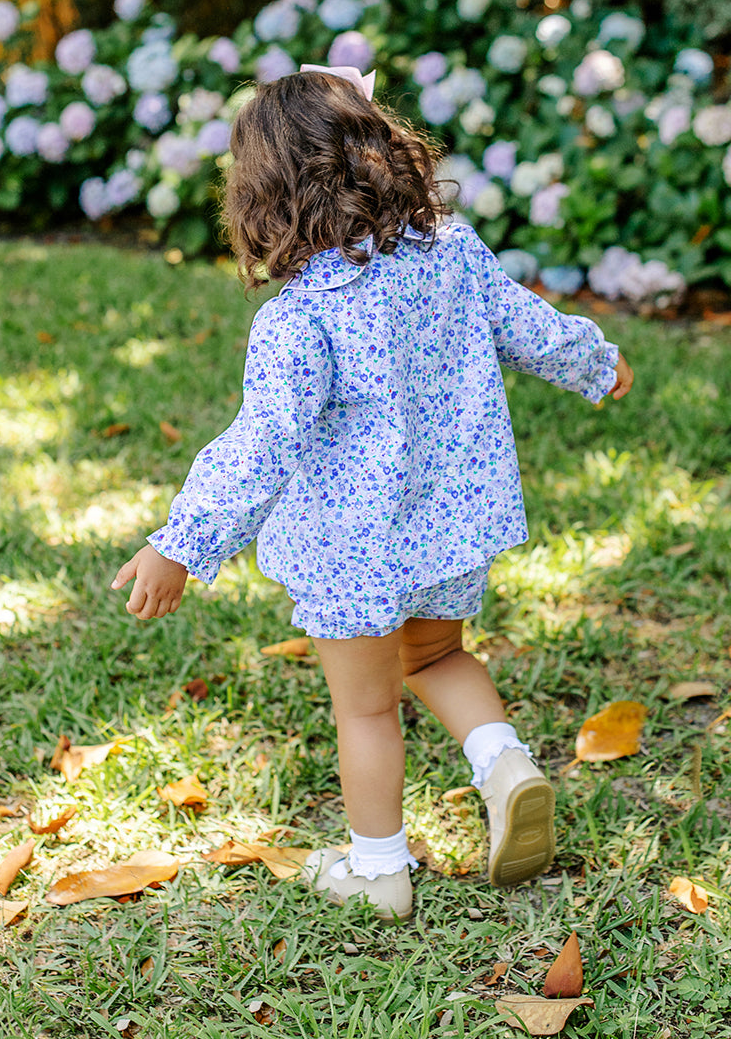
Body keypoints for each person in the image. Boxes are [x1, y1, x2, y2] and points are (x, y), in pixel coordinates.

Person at [111, 63, 633, 921]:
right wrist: (597, 362)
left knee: (366, 709)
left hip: (351, 550)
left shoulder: (301, 316)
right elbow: (529, 325)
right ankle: (505, 764)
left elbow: (262, 442)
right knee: (436, 655)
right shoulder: (452, 255)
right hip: (449, 524)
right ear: (383, 155)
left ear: (264, 200)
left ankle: (378, 869)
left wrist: (181, 544)